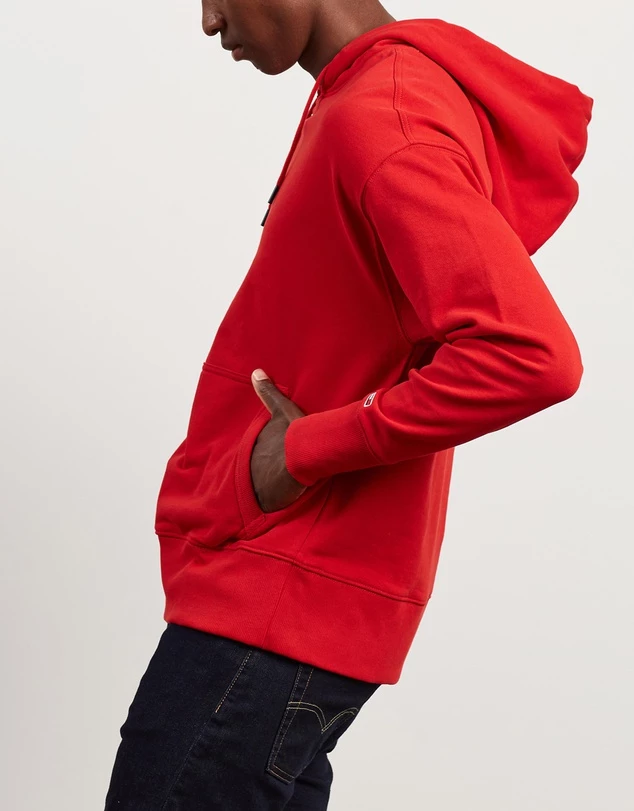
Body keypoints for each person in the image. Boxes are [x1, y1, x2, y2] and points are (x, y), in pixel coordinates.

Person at [104, 2, 593, 809]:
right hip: (287, 601)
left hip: (271, 604)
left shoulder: (383, 113)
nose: (209, 19)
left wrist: (303, 450)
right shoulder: (370, 93)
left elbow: (531, 354)